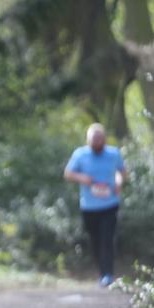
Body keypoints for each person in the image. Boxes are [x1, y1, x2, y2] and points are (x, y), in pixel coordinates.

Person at [64, 123, 127, 287]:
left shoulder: (114, 153)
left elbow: (122, 172)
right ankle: (102, 272)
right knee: (95, 240)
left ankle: (108, 274)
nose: (97, 142)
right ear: (88, 140)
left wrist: (119, 182)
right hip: (89, 206)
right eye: (94, 139)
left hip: (110, 203)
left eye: (100, 138)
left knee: (107, 238)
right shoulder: (80, 154)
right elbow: (68, 173)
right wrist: (83, 178)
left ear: (105, 139)